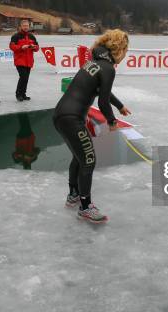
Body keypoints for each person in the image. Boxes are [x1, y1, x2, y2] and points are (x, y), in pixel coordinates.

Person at [53, 29, 132, 223]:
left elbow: (103, 92)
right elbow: (103, 102)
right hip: (72, 118)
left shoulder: (94, 63)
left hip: (61, 114)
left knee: (79, 157)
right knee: (88, 160)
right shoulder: (108, 68)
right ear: (120, 49)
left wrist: (120, 106)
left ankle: (73, 195)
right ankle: (85, 206)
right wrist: (112, 121)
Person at [9, 20, 39, 102]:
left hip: (29, 61)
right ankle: (18, 94)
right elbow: (12, 47)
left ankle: (23, 94)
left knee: (26, 78)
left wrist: (34, 47)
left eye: (27, 26)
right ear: (21, 26)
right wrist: (21, 47)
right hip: (20, 60)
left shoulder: (31, 36)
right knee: (23, 77)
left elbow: (37, 48)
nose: (26, 27)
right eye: (24, 26)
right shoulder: (16, 36)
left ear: (29, 26)